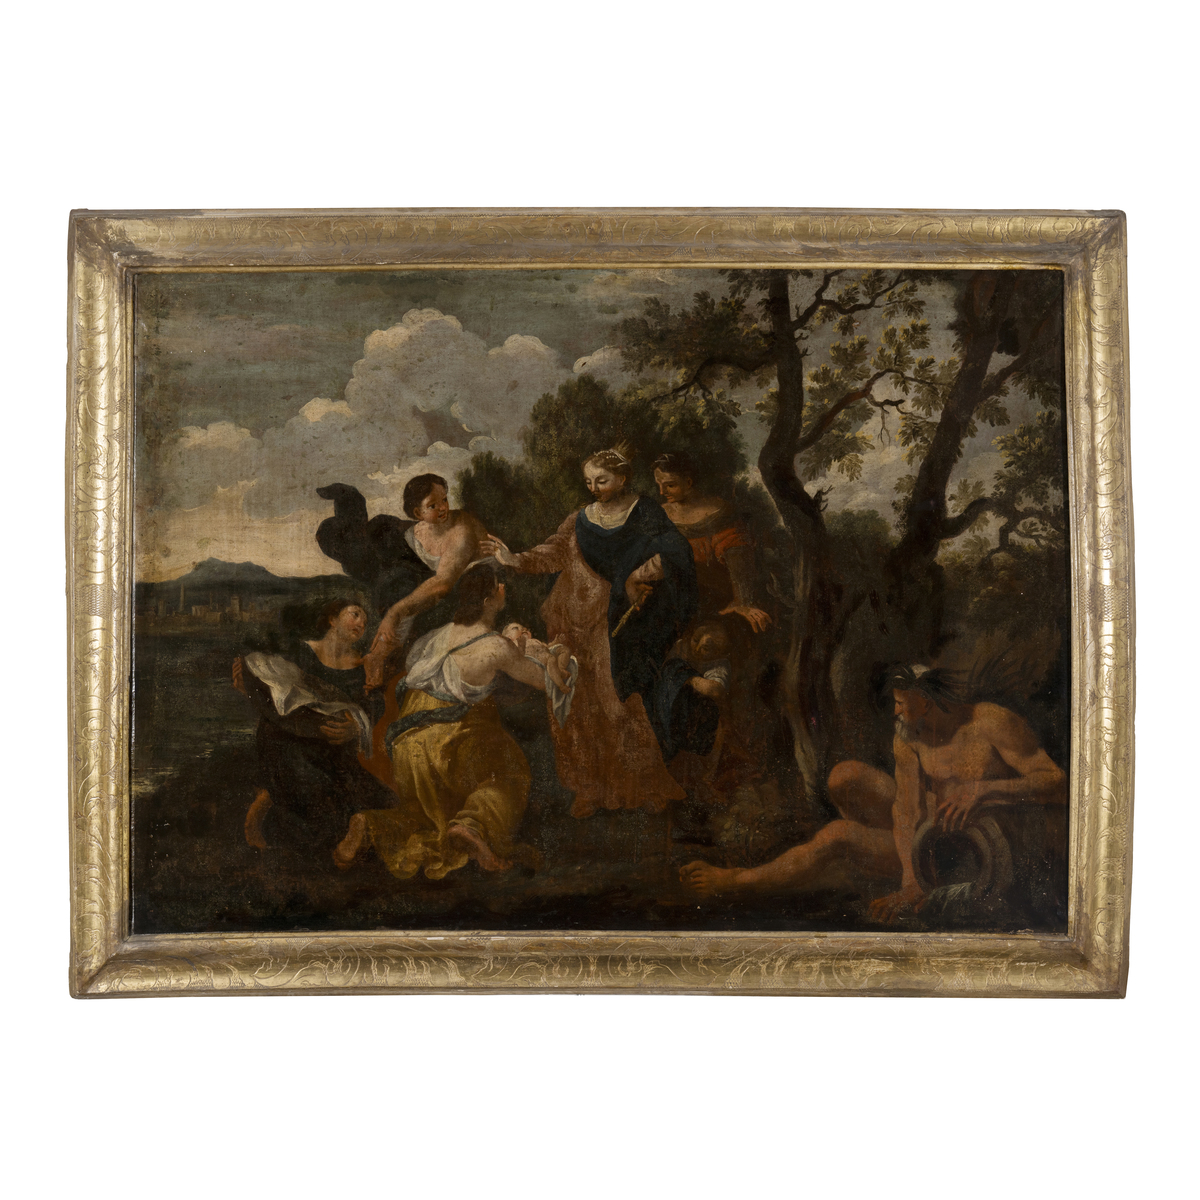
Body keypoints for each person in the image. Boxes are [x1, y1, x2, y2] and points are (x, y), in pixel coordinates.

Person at [680, 663, 1067, 918]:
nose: (895, 712)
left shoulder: (989, 721)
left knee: (837, 835)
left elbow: (1056, 783)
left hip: (967, 850)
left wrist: (982, 791)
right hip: (928, 834)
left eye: (901, 704)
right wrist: (910, 879)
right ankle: (884, 866)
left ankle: (737, 880)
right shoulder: (910, 735)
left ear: (927, 702)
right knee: (844, 776)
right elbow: (906, 809)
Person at [481, 448, 701, 817]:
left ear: (622, 478)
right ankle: (588, 789)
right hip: (568, 618)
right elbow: (554, 553)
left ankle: (642, 785)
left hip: (612, 618)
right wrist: (515, 559)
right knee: (574, 701)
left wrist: (638, 575)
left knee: (616, 700)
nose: (594, 488)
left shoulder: (644, 511)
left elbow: (675, 549)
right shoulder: (580, 519)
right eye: (588, 481)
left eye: (602, 480)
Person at [333, 567, 568, 879]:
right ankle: (473, 826)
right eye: (498, 586)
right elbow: (547, 682)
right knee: (509, 773)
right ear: (488, 601)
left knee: (429, 815)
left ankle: (372, 825)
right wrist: (556, 654)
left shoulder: (437, 635)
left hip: (407, 745)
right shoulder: (496, 646)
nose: (503, 587)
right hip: (451, 739)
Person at [234, 599, 396, 853]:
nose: (361, 623)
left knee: (384, 802)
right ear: (332, 619)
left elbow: (373, 708)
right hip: (288, 744)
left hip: (333, 751)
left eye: (365, 621)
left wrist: (356, 728)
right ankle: (266, 806)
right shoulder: (299, 651)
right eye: (355, 614)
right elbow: (275, 693)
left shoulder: (364, 666)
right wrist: (250, 689)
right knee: (323, 810)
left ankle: (272, 802)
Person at [317, 474, 489, 687]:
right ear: (418, 512)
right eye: (433, 505)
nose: (443, 507)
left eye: (444, 500)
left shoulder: (459, 530)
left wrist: (393, 614)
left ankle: (378, 656)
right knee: (380, 559)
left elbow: (442, 583)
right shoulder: (409, 531)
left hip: (437, 582)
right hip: (401, 569)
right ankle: (378, 655)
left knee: (392, 574)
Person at [652, 452, 771, 632]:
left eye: (670, 485)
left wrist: (743, 602)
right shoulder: (659, 515)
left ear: (689, 482)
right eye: (659, 485)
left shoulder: (720, 514)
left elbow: (739, 564)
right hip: (669, 596)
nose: (662, 492)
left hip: (714, 599)